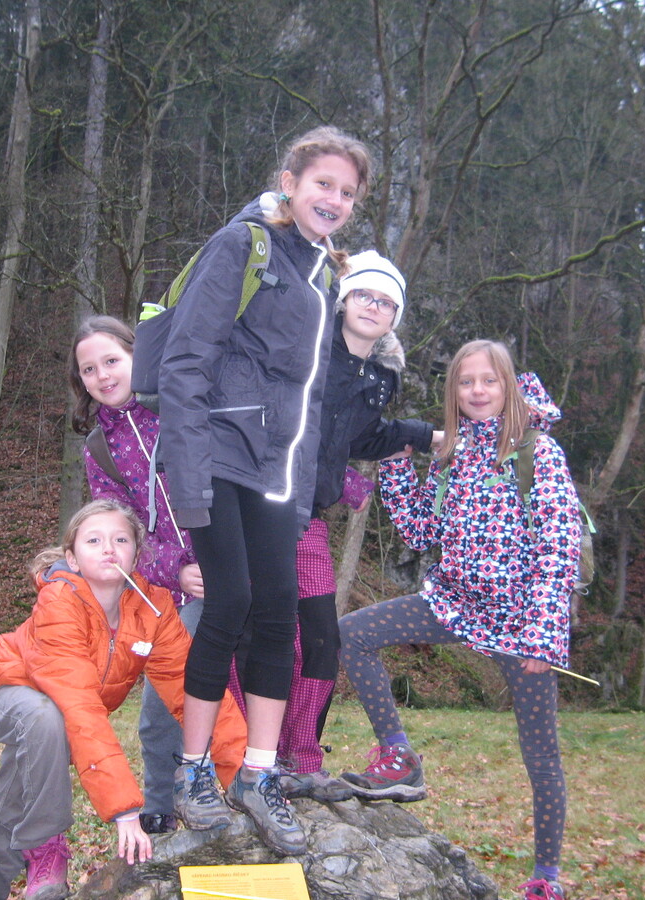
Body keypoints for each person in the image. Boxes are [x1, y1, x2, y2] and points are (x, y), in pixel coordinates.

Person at [156, 125, 372, 855]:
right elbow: (186, 362)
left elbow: (309, 396)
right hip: (220, 454)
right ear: (291, 182)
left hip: (281, 474)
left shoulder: (324, 275)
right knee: (232, 602)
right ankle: (192, 772)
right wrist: (188, 481)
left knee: (281, 613)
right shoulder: (243, 245)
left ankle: (258, 773)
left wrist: (308, 486)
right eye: (323, 184)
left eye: (347, 192)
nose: (334, 199)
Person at [337, 340, 581, 900]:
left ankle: (546, 877)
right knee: (352, 634)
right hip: (453, 604)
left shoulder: (538, 452)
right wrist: (396, 462)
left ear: (508, 386)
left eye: (488, 380)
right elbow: (421, 530)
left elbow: (558, 547)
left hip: (520, 625)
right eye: (466, 381)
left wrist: (543, 637)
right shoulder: (453, 453)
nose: (477, 390)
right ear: (454, 391)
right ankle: (398, 755)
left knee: (541, 753)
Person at [0, 500, 245, 900]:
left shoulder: (153, 609)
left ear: (136, 555)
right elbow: (80, 705)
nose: (109, 548)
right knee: (45, 717)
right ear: (72, 558)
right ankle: (45, 846)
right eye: (94, 540)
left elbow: (194, 694)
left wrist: (245, 775)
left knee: (14, 801)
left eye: (121, 540)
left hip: (55, 713)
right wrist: (124, 808)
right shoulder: (60, 601)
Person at [227, 250, 438, 802]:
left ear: (395, 317)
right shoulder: (309, 346)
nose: (373, 306)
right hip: (262, 506)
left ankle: (302, 758)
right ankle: (245, 755)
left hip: (310, 521)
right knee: (257, 635)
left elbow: (359, 437)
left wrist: (424, 435)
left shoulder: (382, 376)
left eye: (386, 302)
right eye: (364, 294)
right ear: (343, 299)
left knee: (322, 638)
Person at [69, 313, 203, 837]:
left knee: (230, 688)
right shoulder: (99, 449)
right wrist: (178, 569)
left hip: (227, 572)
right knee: (160, 708)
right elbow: (120, 535)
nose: (102, 375)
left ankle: (251, 780)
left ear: (137, 355)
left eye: (111, 361)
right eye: (88, 369)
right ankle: (160, 806)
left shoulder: (183, 409)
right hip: (163, 592)